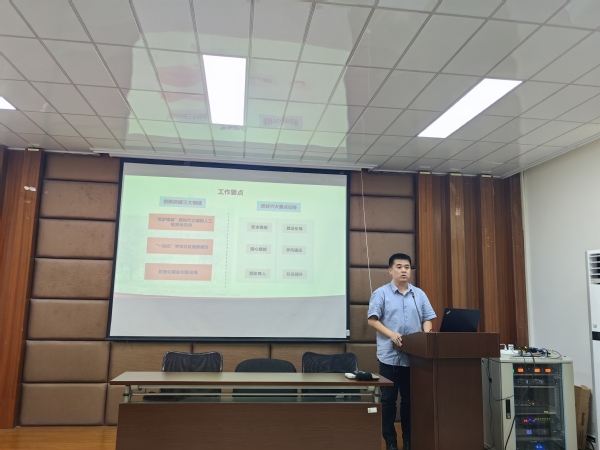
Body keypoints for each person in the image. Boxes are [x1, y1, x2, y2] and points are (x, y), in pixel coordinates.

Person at [367, 253, 436, 450]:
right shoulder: (381, 293)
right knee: (388, 401)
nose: (403, 270)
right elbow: (372, 320)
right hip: (390, 357)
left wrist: (426, 335)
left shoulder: (418, 294)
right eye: (399, 267)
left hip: (414, 358)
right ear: (390, 270)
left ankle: (409, 440)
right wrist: (391, 334)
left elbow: (427, 318)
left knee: (410, 401)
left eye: (407, 267)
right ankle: (390, 441)